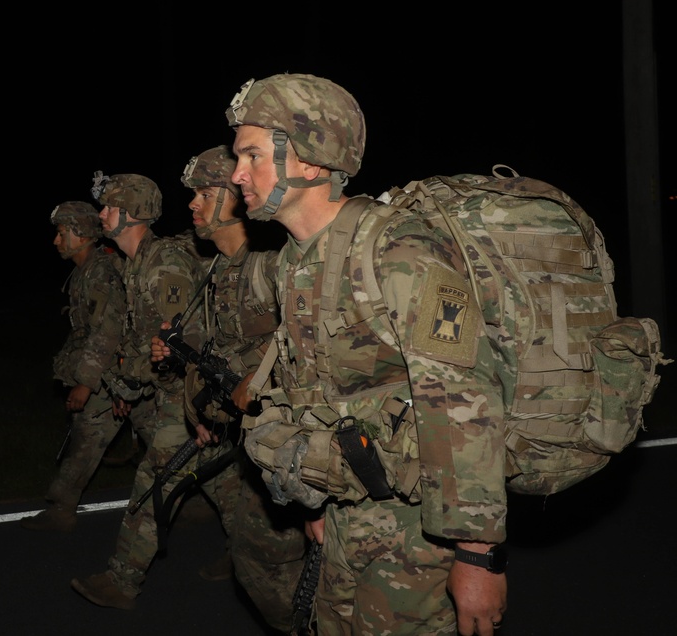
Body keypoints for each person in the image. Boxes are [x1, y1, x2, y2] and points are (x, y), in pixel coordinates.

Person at [224, 73, 509, 636]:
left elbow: (464, 402)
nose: (236, 175)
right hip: (346, 517)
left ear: (309, 160)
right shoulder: (293, 262)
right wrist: (315, 504)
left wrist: (478, 556)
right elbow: (312, 390)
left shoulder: (399, 251)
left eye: (251, 155)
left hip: (421, 534)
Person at [151, 144, 308, 633]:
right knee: (258, 555)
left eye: (203, 193)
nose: (193, 205)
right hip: (249, 438)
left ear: (235, 201)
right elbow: (219, 350)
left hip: (295, 438)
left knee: (267, 558)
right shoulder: (218, 270)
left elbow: (301, 351)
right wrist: (204, 410)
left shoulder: (270, 264)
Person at [70, 172, 210, 611]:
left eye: (109, 207)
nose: (101, 214)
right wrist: (123, 385)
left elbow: (179, 344)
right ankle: (256, 550)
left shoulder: (163, 264)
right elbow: (139, 338)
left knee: (153, 481)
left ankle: (123, 580)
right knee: (227, 483)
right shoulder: (136, 264)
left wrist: (134, 384)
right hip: (168, 393)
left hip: (186, 395)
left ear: (130, 213)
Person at [20, 201, 128, 533]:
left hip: (116, 371)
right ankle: (61, 508)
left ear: (80, 235)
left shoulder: (100, 273)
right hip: (111, 373)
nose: (56, 241)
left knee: (90, 438)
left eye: (61, 233)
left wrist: (85, 382)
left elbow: (106, 332)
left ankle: (61, 510)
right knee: (90, 436)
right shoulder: (84, 271)